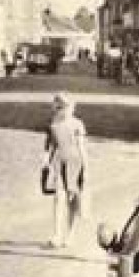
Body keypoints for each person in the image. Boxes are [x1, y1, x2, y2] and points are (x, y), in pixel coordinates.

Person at [43, 93, 89, 248]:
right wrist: (45, 163)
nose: (66, 111)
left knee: (73, 201)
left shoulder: (78, 124)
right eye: (61, 107)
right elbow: (49, 146)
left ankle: (70, 235)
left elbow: (82, 147)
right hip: (58, 163)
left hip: (75, 164)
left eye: (69, 107)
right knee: (58, 198)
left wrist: (86, 168)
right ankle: (56, 234)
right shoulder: (52, 125)